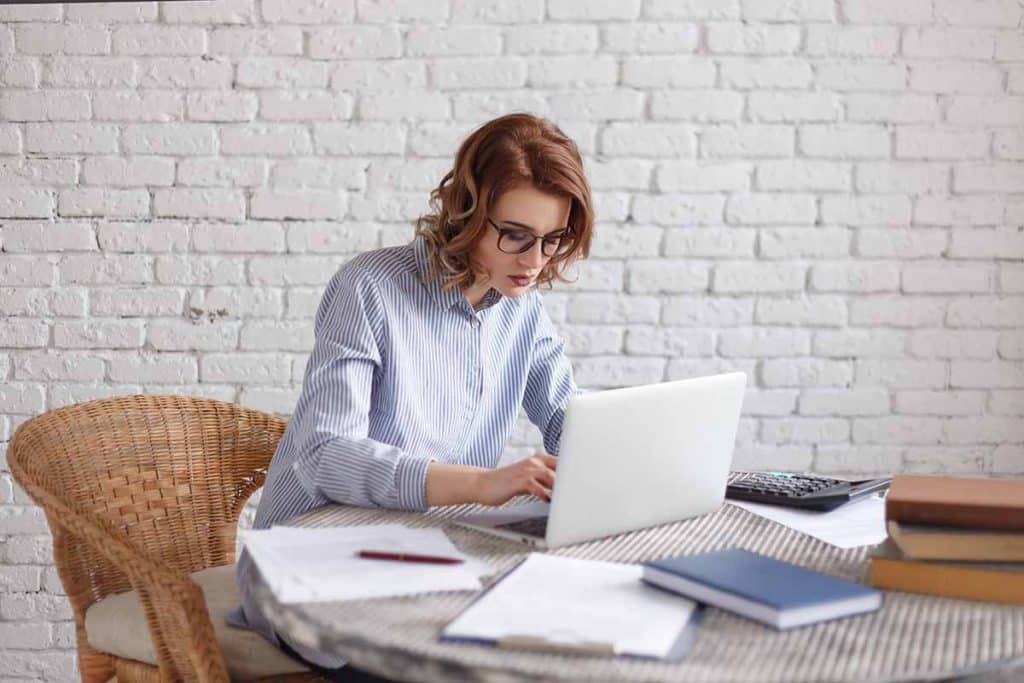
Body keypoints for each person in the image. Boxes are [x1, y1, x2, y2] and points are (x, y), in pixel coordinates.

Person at [229, 112, 594, 681]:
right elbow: (326, 453)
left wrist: (615, 464)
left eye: (552, 239)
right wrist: (484, 483)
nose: (534, 260)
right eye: (516, 235)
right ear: (467, 210)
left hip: (431, 557)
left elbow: (572, 422)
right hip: (309, 567)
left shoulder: (523, 310)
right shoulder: (368, 289)